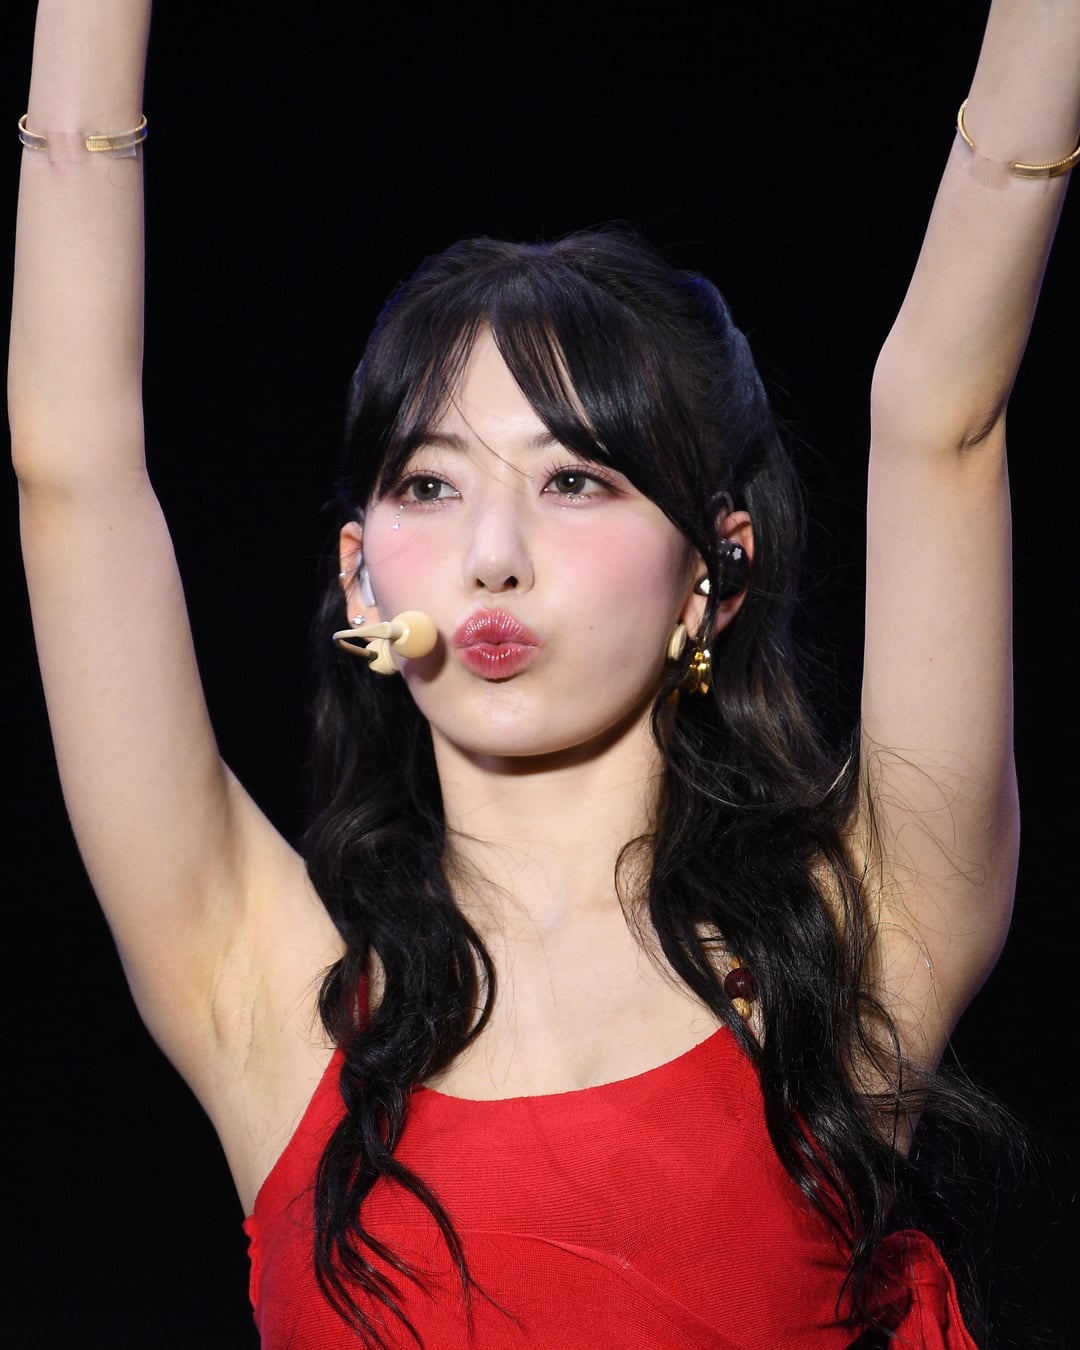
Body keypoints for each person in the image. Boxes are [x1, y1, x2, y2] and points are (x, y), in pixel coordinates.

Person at [10, 0, 1079, 1346]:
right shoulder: (264, 997)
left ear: (715, 572)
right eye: (431, 483)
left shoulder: (856, 949)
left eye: (574, 479)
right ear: (359, 574)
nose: (492, 556)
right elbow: (72, 467)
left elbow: (941, 415)